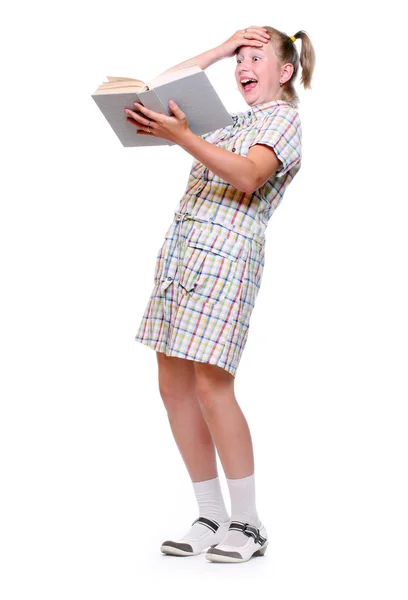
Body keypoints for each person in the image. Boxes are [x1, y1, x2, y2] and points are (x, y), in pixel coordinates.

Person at [127, 25, 316, 563]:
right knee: (173, 386)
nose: (241, 68)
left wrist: (185, 137)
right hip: (182, 255)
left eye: (253, 58)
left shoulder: (282, 121)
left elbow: (250, 176)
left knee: (212, 387)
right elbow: (156, 89)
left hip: (226, 261)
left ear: (285, 71)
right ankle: (209, 513)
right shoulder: (234, 121)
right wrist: (218, 48)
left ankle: (249, 524)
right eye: (239, 60)